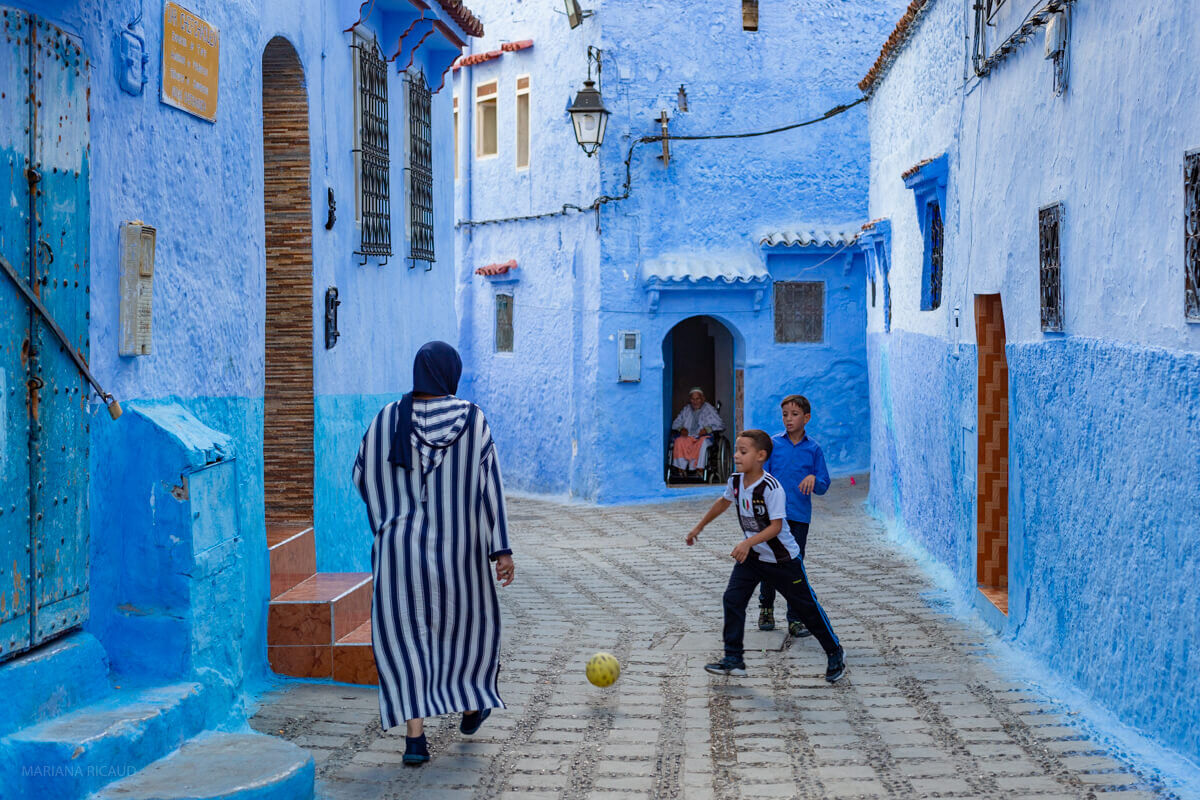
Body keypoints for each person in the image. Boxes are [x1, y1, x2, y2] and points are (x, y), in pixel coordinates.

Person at [352, 341, 515, 767]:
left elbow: (360, 477)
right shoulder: (472, 418)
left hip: (397, 554)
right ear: (450, 374)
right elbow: (490, 488)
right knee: (467, 629)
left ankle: (415, 740)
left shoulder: (386, 417)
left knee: (405, 640)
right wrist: (501, 550)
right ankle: (470, 702)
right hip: (459, 554)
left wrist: (390, 514)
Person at [685, 429, 845, 682]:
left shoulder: (772, 488)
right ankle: (733, 659)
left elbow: (776, 527)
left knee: (807, 609)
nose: (736, 455)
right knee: (733, 599)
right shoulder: (736, 482)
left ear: (761, 456)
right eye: (736, 450)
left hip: (783, 561)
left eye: (742, 451)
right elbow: (723, 502)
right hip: (753, 559)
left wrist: (747, 542)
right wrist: (699, 527)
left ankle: (835, 652)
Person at [757, 394, 831, 638]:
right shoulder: (773, 445)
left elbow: (823, 484)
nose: (789, 419)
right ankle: (766, 607)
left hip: (799, 518)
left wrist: (814, 479)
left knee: (793, 567)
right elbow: (762, 478)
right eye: (785, 415)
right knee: (769, 563)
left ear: (807, 418)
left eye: (794, 414)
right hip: (773, 517)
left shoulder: (814, 450)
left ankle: (795, 618)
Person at [671, 387, 724, 475]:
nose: (695, 401)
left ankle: (700, 469)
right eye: (692, 399)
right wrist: (681, 429)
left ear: (703, 399)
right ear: (690, 400)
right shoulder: (686, 409)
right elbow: (675, 424)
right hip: (689, 436)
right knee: (679, 441)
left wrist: (707, 429)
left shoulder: (709, 409)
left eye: (697, 399)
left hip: (704, 437)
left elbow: (721, 425)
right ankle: (681, 469)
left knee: (703, 443)